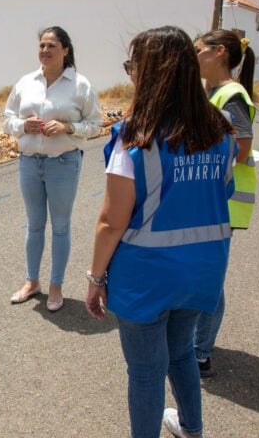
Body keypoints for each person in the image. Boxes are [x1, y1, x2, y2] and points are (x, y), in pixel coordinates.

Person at [85, 26, 237, 438]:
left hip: (146, 275)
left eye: (132, 65)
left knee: (146, 371)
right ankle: (191, 428)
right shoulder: (222, 128)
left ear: (151, 71)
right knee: (182, 352)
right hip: (204, 268)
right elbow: (223, 191)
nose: (130, 73)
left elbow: (111, 221)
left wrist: (96, 279)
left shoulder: (135, 135)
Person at [4, 26, 102, 311]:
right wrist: (23, 125)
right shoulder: (25, 82)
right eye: (42, 45)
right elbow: (7, 119)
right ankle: (31, 282)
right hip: (29, 162)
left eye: (52, 46)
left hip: (63, 162)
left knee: (60, 227)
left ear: (65, 50)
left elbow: (95, 125)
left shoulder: (80, 85)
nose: (45, 51)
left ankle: (55, 286)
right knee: (34, 225)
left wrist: (67, 126)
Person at [192, 29, 257, 377]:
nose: (194, 56)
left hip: (224, 200)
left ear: (218, 53)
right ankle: (200, 341)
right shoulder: (211, 91)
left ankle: (200, 353)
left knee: (210, 280)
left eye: (199, 50)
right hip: (211, 197)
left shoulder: (231, 94)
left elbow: (242, 147)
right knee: (203, 275)